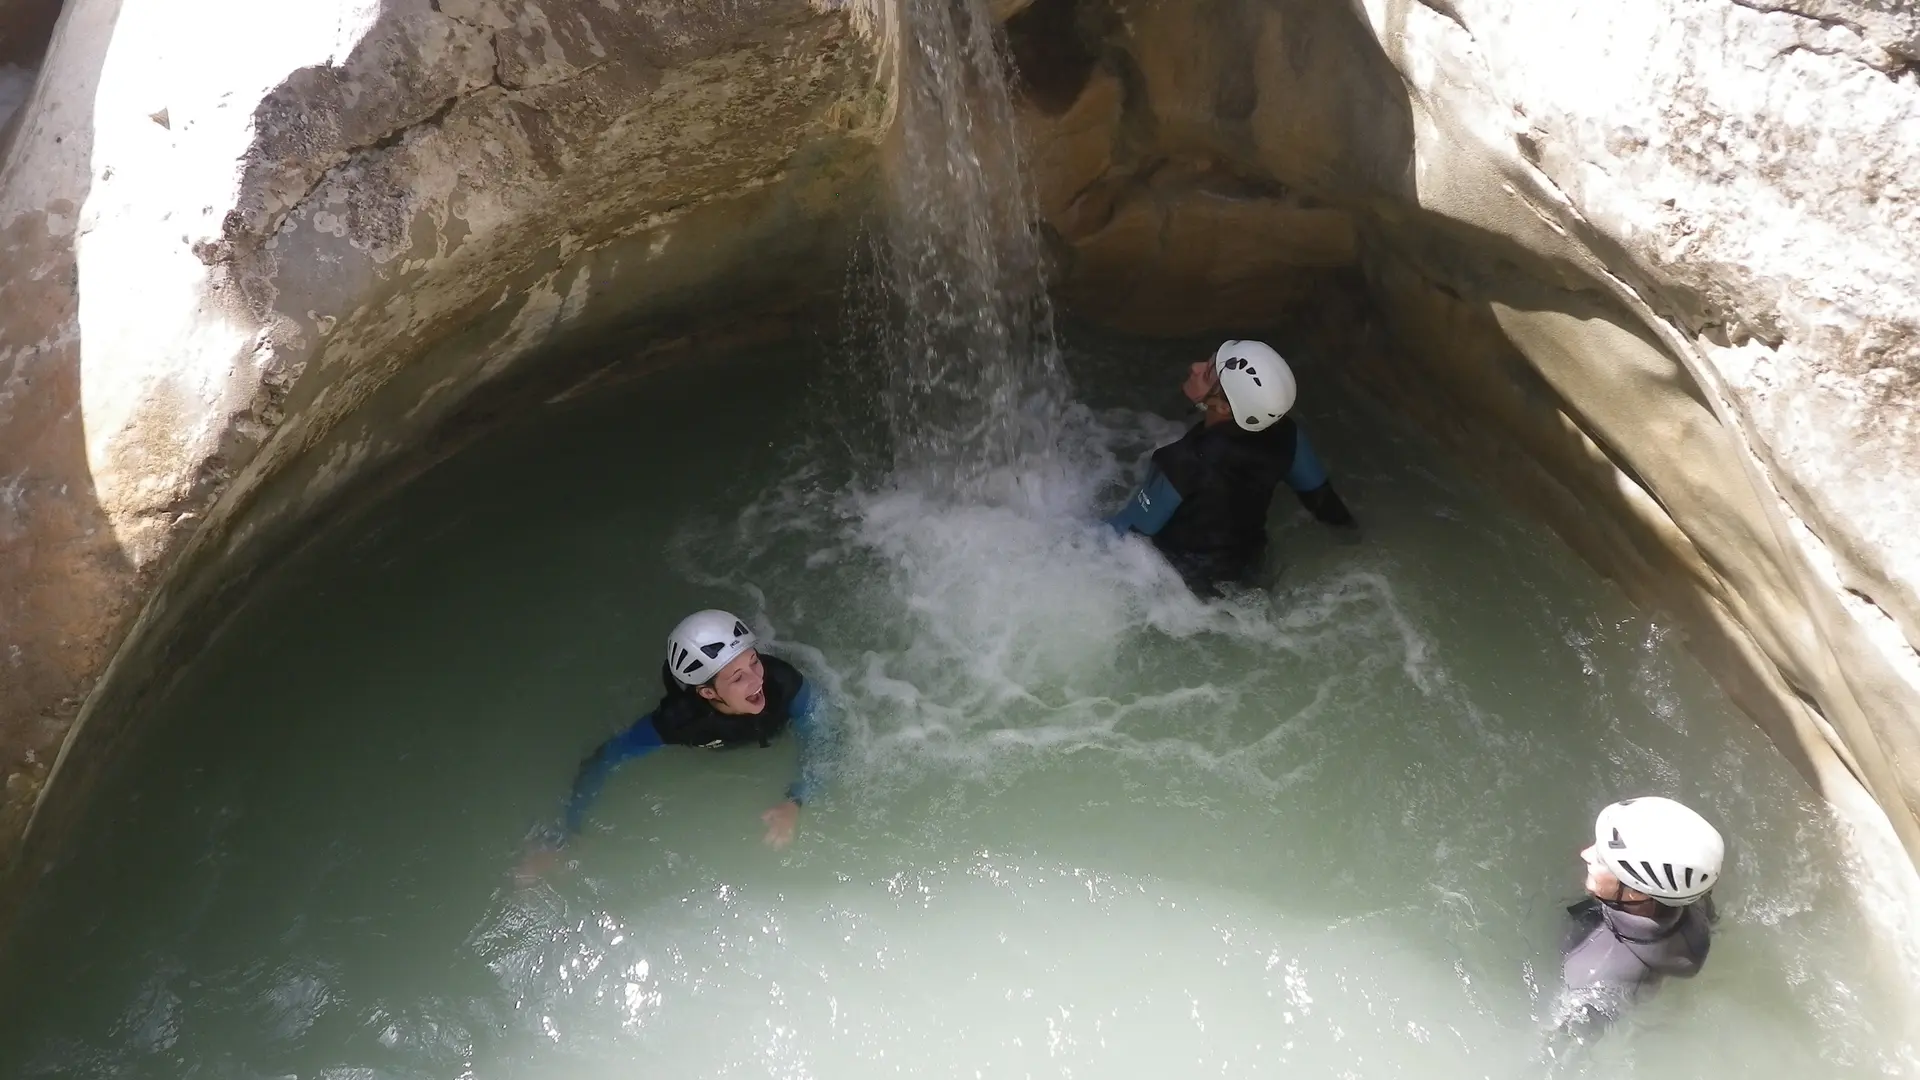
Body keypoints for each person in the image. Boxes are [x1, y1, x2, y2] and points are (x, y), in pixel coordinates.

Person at [519, 609, 829, 879]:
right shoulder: (680, 722)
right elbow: (604, 760)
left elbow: (825, 739)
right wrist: (567, 834)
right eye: (737, 678)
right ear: (708, 693)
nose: (756, 680)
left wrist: (795, 800)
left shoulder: (782, 682)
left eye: (753, 662)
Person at [1106, 340, 1358, 595]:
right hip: (1251, 572)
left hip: (1182, 591)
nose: (1195, 367)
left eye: (1207, 374)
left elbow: (1125, 536)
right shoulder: (1288, 436)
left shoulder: (1181, 462)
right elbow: (1325, 504)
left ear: (1225, 407)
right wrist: (1354, 540)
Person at [1555, 795, 1723, 1036]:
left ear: (1634, 893)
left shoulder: (1592, 972)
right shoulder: (1691, 901)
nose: (1586, 854)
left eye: (1602, 859)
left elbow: (1567, 1040)